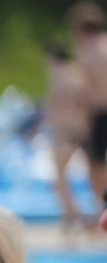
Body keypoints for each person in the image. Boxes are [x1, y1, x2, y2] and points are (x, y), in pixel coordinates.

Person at [44, 43, 95, 229]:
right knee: (91, 170)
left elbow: (62, 105)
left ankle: (71, 212)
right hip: (79, 128)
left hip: (65, 131)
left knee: (59, 174)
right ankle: (84, 211)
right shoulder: (76, 74)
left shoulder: (60, 76)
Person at [74, 4, 107, 210]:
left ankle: (102, 207)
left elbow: (84, 89)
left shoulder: (86, 51)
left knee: (96, 163)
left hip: (98, 111)